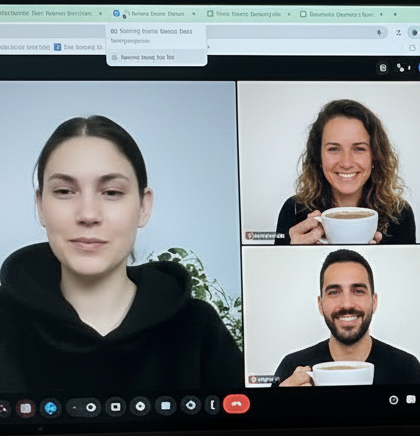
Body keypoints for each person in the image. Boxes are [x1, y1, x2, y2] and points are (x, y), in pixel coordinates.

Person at [0, 115, 242, 395]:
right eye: (64, 191)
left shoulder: (197, 327)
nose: (88, 214)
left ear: (143, 207)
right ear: (41, 206)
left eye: (111, 192)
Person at [273, 248, 420, 386]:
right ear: (320, 304)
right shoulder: (291, 368)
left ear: (374, 301)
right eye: (334, 292)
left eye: (358, 291)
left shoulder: (407, 369)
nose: (347, 304)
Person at [274, 99, 416, 246]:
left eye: (359, 149)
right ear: (318, 157)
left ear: (375, 156)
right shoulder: (294, 210)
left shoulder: (399, 215)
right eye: (334, 149)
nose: (346, 163)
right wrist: (291, 253)